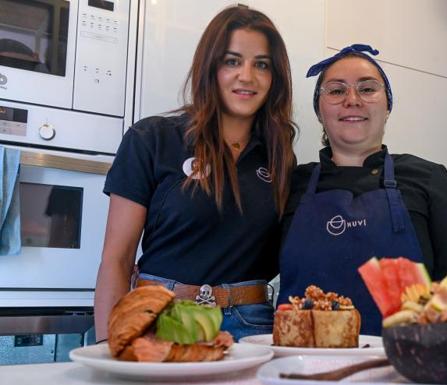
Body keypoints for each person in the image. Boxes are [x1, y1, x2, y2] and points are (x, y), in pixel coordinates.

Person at [94, 5, 296, 342]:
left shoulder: (278, 157)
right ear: (210, 67)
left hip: (251, 328)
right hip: (159, 320)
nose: (246, 76)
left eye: (261, 64)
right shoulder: (153, 139)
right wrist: (108, 349)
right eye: (232, 61)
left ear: (274, 77)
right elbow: (116, 259)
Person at [277, 44, 447, 336]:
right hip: (301, 364)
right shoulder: (290, 182)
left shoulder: (429, 178)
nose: (352, 100)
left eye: (367, 89)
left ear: (387, 106)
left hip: (405, 366)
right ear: (319, 112)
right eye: (336, 91)